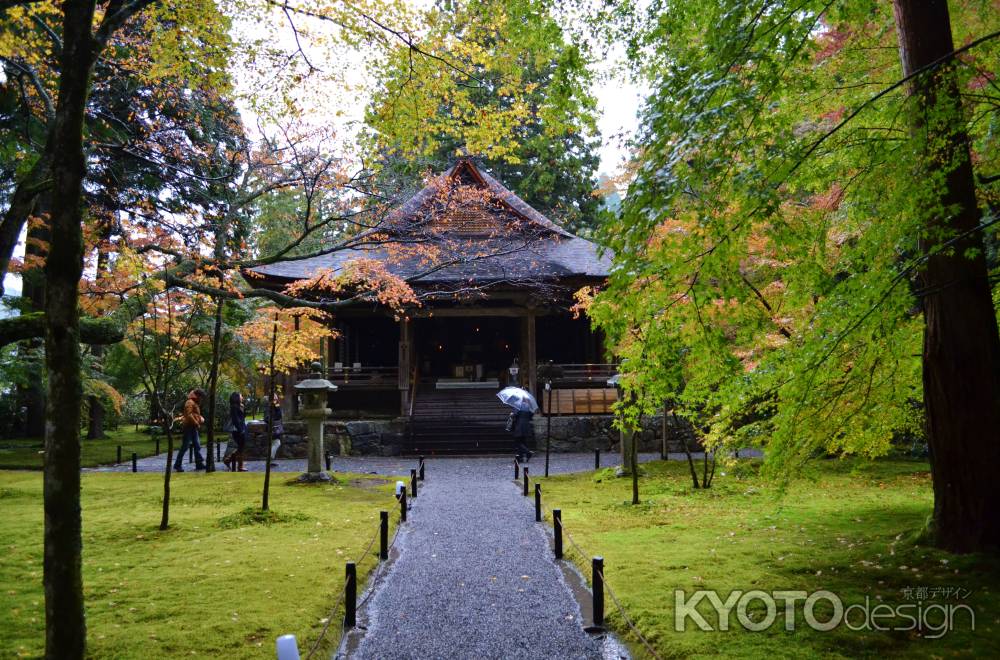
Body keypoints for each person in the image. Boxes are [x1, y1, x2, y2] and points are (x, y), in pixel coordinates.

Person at [174, 389, 206, 472]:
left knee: (197, 445)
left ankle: (199, 464)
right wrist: (196, 422)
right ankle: (177, 464)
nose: (202, 399)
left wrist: (199, 419)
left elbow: (194, 414)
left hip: (193, 427)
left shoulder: (194, 402)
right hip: (189, 427)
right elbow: (188, 414)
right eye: (201, 397)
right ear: (198, 395)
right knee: (185, 446)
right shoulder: (190, 402)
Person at [223, 392, 247, 472]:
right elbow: (235, 420)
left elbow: (243, 417)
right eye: (241, 396)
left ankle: (229, 460)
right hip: (237, 430)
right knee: (241, 447)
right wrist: (240, 430)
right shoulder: (234, 407)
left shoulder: (239, 406)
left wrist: (242, 407)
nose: (242, 397)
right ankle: (239, 465)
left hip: (241, 428)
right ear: (236, 398)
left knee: (241, 447)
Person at [265, 394, 283, 468]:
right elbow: (278, 415)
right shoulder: (271, 406)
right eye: (275, 397)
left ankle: (270, 462)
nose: (276, 398)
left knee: (273, 444)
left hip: (273, 427)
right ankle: (269, 460)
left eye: (276, 397)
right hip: (273, 428)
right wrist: (277, 405)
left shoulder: (273, 406)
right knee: (277, 443)